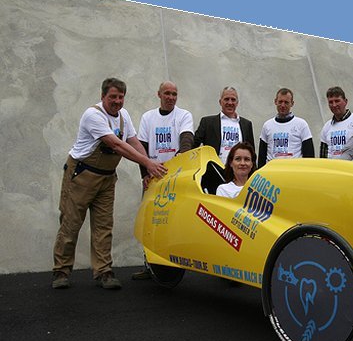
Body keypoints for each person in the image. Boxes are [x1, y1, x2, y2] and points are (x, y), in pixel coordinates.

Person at [52, 78, 167, 290]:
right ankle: (61, 270)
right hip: (82, 175)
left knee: (104, 226)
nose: (117, 101)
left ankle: (104, 272)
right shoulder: (93, 115)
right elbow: (116, 144)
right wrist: (148, 163)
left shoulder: (123, 116)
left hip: (106, 178)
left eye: (120, 97)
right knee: (71, 223)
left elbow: (133, 142)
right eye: (112, 97)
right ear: (103, 96)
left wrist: (147, 169)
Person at [132, 81, 194, 280]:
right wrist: (145, 174)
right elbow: (141, 147)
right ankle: (148, 265)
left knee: (172, 223)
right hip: (153, 178)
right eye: (167, 93)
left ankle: (171, 267)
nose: (171, 97)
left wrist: (177, 163)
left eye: (174, 94)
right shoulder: (148, 117)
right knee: (150, 223)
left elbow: (186, 141)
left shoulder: (184, 115)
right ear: (158, 94)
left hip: (174, 178)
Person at [193, 87, 255, 164]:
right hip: (214, 171)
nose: (230, 103)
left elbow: (251, 152)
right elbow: (194, 144)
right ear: (220, 102)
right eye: (226, 99)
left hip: (238, 172)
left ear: (237, 103)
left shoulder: (246, 124)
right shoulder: (207, 122)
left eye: (233, 99)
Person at [258, 88, 314, 168]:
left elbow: (309, 155)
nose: (283, 105)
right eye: (280, 102)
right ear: (275, 102)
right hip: (272, 173)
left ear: (292, 103)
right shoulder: (267, 125)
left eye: (286, 102)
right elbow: (262, 156)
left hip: (294, 173)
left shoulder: (302, 124)